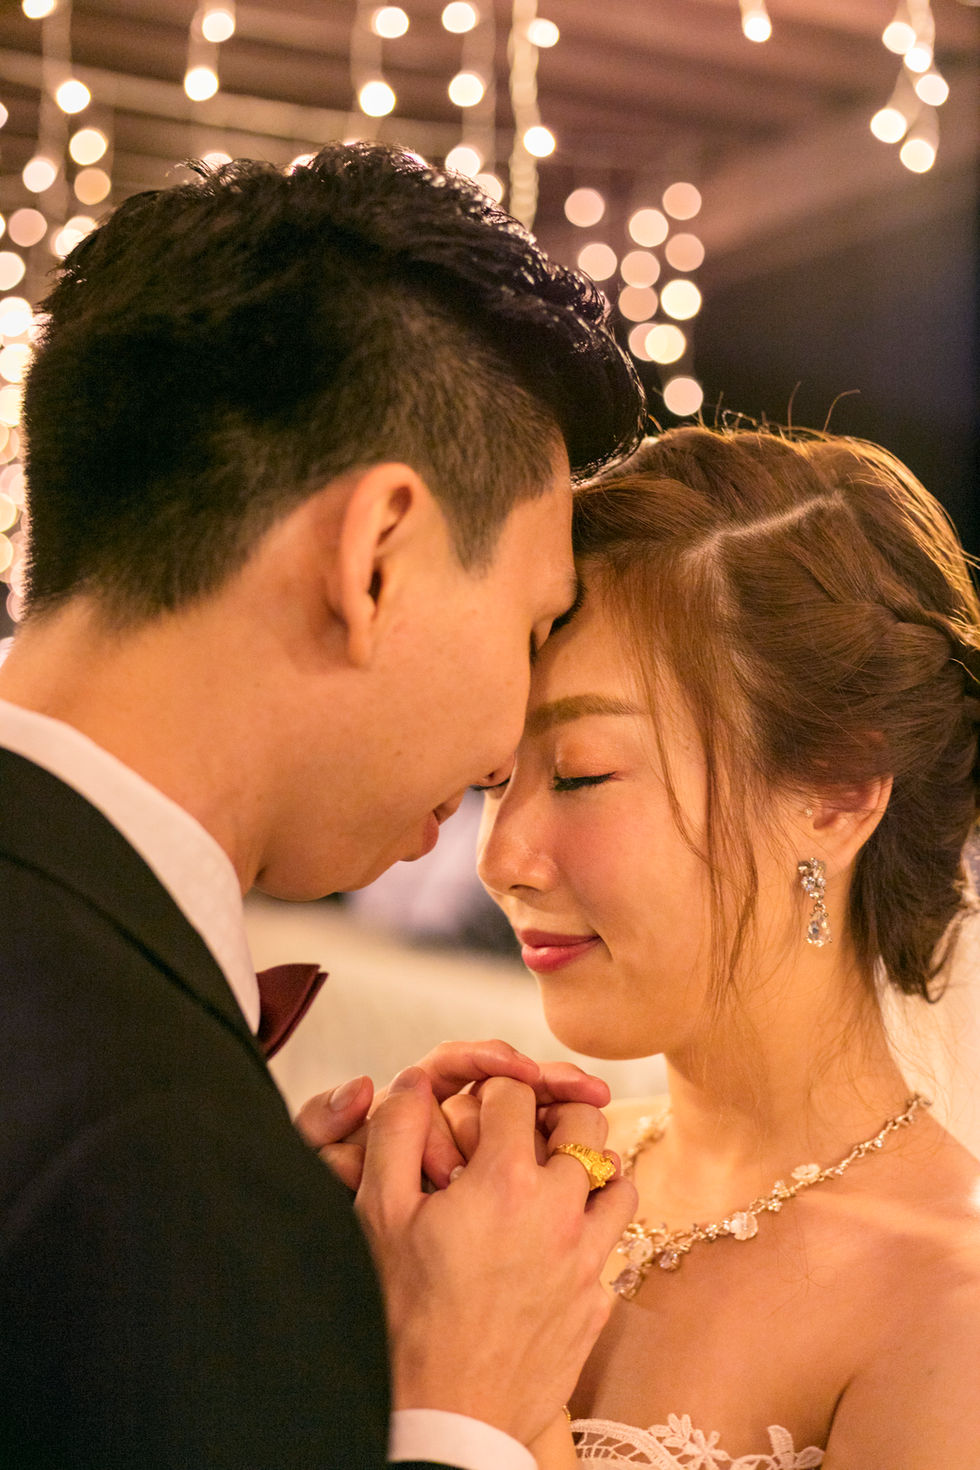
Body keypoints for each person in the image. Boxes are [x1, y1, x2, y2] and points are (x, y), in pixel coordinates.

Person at [0, 142, 646, 1468]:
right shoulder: (153, 1141)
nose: (501, 758)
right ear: (375, 556)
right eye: (530, 626)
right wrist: (462, 1401)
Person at [472, 426, 980, 1466]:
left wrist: (493, 1392)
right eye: (493, 776)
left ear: (835, 793)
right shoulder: (522, 1196)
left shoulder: (949, 1300)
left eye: (578, 773)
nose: (501, 858)